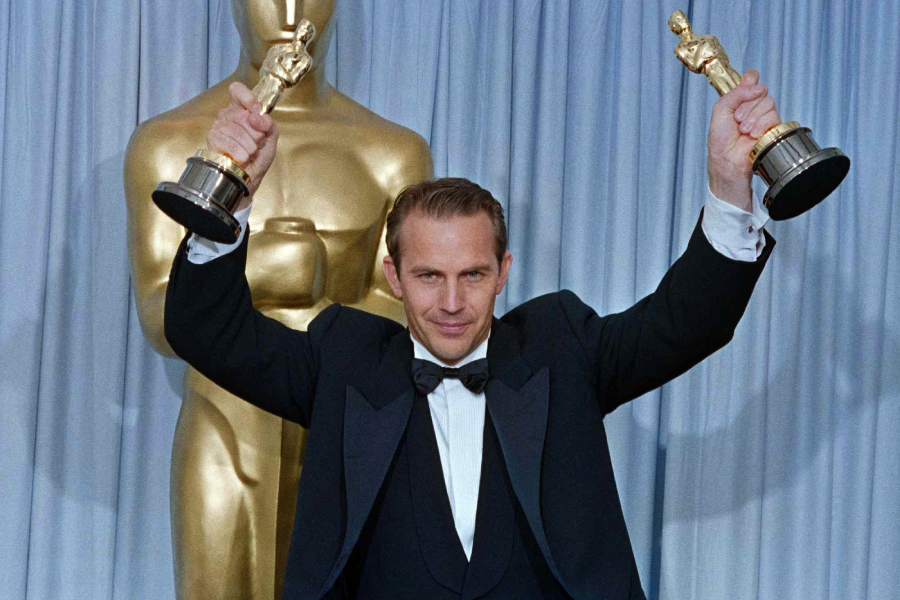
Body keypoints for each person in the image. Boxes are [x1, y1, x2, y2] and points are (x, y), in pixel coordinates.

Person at [163, 62, 780, 597]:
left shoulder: (561, 347)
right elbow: (206, 331)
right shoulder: (342, 360)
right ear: (393, 275)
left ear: (504, 272)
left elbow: (687, 322)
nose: (452, 302)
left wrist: (729, 185)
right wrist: (227, 190)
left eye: (473, 274)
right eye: (429, 275)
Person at [124, 0, 432, 597]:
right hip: (224, 428)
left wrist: (330, 302)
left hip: (346, 431)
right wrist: (265, 268)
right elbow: (159, 318)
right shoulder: (169, 141)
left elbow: (413, 315)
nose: (289, 11)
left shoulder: (394, 152)